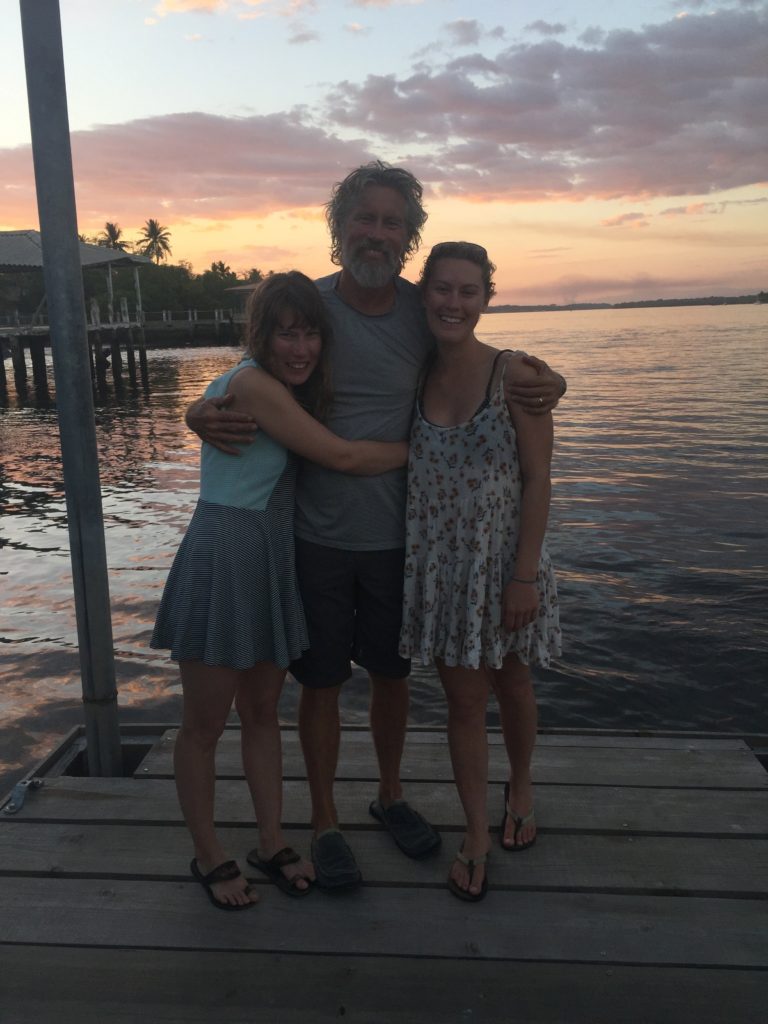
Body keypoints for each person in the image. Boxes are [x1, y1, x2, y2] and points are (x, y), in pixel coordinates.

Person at [186, 162, 566, 892]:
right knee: (322, 683)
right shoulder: (312, 306)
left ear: (408, 237)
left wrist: (553, 380)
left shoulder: (424, 308)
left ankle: (390, 794)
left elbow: (484, 359)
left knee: (392, 677)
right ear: (340, 226)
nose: (377, 233)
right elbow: (254, 371)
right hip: (314, 534)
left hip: (406, 542)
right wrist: (196, 410)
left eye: (393, 222)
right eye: (365, 217)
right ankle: (324, 821)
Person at [152, 271, 408, 909]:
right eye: (286, 334)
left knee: (263, 713)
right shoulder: (253, 385)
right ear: (260, 336)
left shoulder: (263, 386)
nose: (301, 348)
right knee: (204, 726)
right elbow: (342, 457)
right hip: (225, 555)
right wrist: (428, 448)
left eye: (311, 334)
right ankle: (209, 854)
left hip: (270, 554)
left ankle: (271, 841)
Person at [399, 242, 562, 902]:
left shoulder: (514, 373)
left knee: (514, 682)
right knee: (464, 704)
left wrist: (523, 577)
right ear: (424, 294)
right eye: (442, 288)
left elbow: (539, 478)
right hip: (443, 571)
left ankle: (520, 786)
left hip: (506, 563)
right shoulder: (413, 374)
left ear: (487, 299)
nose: (453, 303)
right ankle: (474, 832)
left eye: (468, 291)